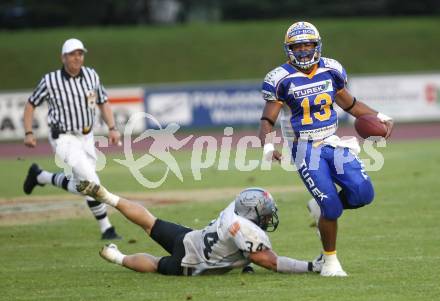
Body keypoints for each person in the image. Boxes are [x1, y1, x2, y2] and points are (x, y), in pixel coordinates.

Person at [258, 21, 393, 277]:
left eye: (308, 44)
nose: (304, 50)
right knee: (332, 207)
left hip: (332, 142)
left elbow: (351, 105)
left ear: (317, 44)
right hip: (304, 148)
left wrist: (380, 116)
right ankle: (329, 262)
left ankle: (319, 207)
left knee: (364, 194)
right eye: (298, 46)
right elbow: (267, 120)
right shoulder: (280, 78)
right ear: (289, 49)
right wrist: (267, 145)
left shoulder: (331, 69)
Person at [76, 180, 323, 276]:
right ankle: (117, 257)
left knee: (149, 222)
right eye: (266, 214)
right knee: (154, 264)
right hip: (191, 262)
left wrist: (244, 264)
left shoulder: (233, 209)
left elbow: (235, 243)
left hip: (189, 237)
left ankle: (109, 197)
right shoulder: (247, 230)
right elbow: (271, 262)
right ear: (253, 213)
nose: (268, 218)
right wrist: (311, 266)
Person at [22, 38, 122, 240]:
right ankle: (107, 229)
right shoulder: (51, 80)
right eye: (72, 54)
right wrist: (28, 132)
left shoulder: (92, 75)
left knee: (83, 184)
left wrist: (112, 128)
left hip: (87, 136)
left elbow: (103, 101)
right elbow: (31, 104)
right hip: (64, 137)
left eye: (80, 53)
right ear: (63, 57)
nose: (77, 57)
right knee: (92, 181)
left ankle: (41, 176)